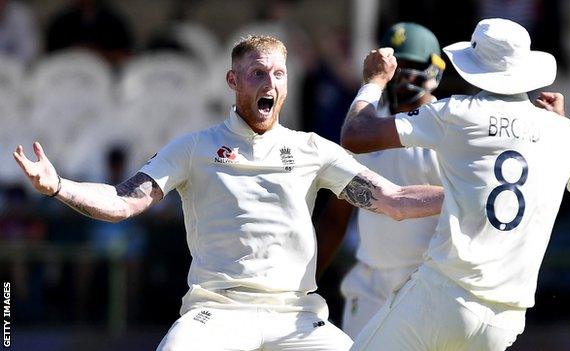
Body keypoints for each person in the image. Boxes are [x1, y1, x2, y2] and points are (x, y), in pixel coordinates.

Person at [13, 35, 444, 351]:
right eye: (257, 73)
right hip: (216, 313)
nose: (269, 83)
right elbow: (123, 202)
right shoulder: (193, 147)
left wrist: (469, 196)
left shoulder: (313, 149)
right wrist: (58, 187)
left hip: (296, 317)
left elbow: (396, 201)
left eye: (278, 74)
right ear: (233, 80)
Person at [341, 19, 570, 350]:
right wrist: (566, 130)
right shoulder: (562, 131)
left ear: (475, 66)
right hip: (505, 318)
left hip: (444, 296)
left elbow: (356, 135)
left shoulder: (457, 113)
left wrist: (373, 82)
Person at [315, 22, 445, 338]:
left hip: (426, 281)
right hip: (370, 282)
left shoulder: (448, 126)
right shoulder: (367, 127)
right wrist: (303, 282)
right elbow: (335, 218)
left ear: (434, 70)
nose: (402, 78)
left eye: (413, 67)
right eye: (397, 67)